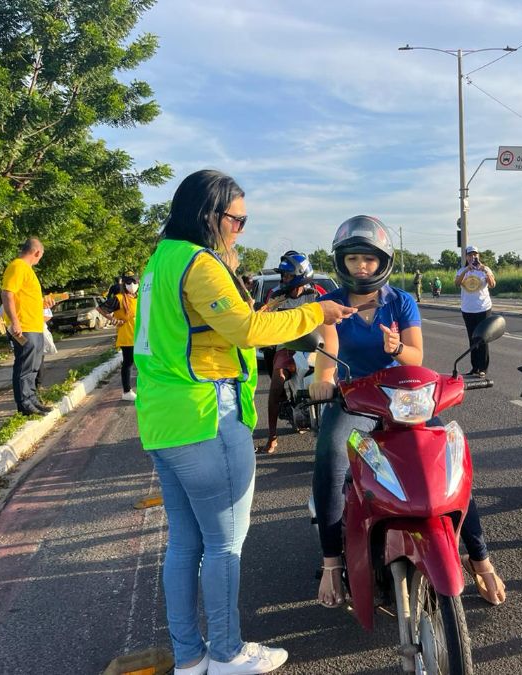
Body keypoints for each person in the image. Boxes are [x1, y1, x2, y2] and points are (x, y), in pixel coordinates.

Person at [133, 170, 355, 675]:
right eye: (237, 219)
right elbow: (249, 328)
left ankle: (190, 657)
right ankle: (228, 652)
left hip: (163, 418)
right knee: (224, 545)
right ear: (209, 215)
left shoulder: (159, 261)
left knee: (186, 545)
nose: (240, 229)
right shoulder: (199, 262)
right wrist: (315, 313)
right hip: (206, 414)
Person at [310, 215, 506, 609]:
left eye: (368, 259)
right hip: (353, 397)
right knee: (331, 458)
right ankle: (332, 563)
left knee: (448, 466)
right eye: (353, 260)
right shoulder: (329, 305)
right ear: (341, 263)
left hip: (404, 397)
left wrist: (396, 349)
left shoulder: (401, 301)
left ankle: (480, 558)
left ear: (382, 261)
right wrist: (324, 380)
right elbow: (325, 353)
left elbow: (417, 356)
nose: (361, 267)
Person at [256, 251, 324, 454]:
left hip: (315, 346)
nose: (283, 279)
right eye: (283, 275)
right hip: (287, 347)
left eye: (287, 275)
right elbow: (266, 318)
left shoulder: (316, 294)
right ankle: (271, 438)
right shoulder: (277, 296)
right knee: (277, 380)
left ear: (300, 276)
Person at [0, 238, 54, 415]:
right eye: (41, 256)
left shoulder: (28, 271)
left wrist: (43, 303)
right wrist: (15, 322)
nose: (40, 259)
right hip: (24, 327)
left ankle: (32, 400)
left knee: (33, 366)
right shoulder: (17, 266)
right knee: (24, 366)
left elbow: (27, 299)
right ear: (37, 253)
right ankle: (24, 404)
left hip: (35, 326)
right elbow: (7, 294)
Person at [454, 245, 496, 377]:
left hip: (483, 308)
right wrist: (467, 269)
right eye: (470, 255)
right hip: (468, 309)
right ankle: (474, 367)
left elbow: (492, 284)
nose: (473, 257)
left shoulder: (485, 269)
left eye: (475, 255)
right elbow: (457, 283)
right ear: (466, 257)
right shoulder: (462, 270)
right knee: (472, 339)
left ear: (478, 256)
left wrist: (485, 271)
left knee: (483, 338)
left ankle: (483, 368)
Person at [99, 272, 139, 401]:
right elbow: (101, 309)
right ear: (124, 284)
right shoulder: (119, 298)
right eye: (128, 283)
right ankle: (127, 391)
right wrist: (113, 320)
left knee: (143, 363)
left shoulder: (137, 298)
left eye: (134, 282)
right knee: (128, 363)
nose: (131, 285)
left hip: (139, 335)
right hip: (127, 335)